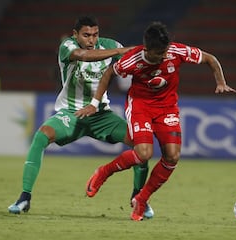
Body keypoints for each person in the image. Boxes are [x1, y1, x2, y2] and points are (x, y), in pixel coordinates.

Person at [75, 21, 236, 221]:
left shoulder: (176, 51)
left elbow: (210, 59)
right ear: (147, 49)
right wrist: (94, 103)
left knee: (172, 156)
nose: (162, 56)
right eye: (158, 53)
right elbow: (109, 73)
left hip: (167, 108)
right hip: (141, 107)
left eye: (164, 51)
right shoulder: (132, 60)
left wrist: (220, 82)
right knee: (143, 154)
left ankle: (142, 199)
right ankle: (104, 172)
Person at [8, 16, 154, 218]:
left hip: (101, 115)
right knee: (41, 136)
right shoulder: (67, 46)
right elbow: (83, 55)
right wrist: (120, 52)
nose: (91, 40)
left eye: (95, 35)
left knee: (142, 146)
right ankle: (24, 197)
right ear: (75, 34)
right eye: (86, 35)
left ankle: (139, 198)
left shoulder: (109, 45)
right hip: (72, 113)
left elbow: (134, 62)